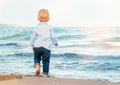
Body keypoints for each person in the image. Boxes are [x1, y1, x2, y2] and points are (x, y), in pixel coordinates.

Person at [30, 9, 58, 77]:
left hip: (37, 47)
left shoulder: (36, 27)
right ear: (48, 18)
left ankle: (37, 65)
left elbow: (32, 37)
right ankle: (45, 73)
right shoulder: (50, 27)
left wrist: (32, 44)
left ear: (38, 18)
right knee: (46, 61)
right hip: (46, 48)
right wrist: (55, 42)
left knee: (36, 58)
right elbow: (53, 36)